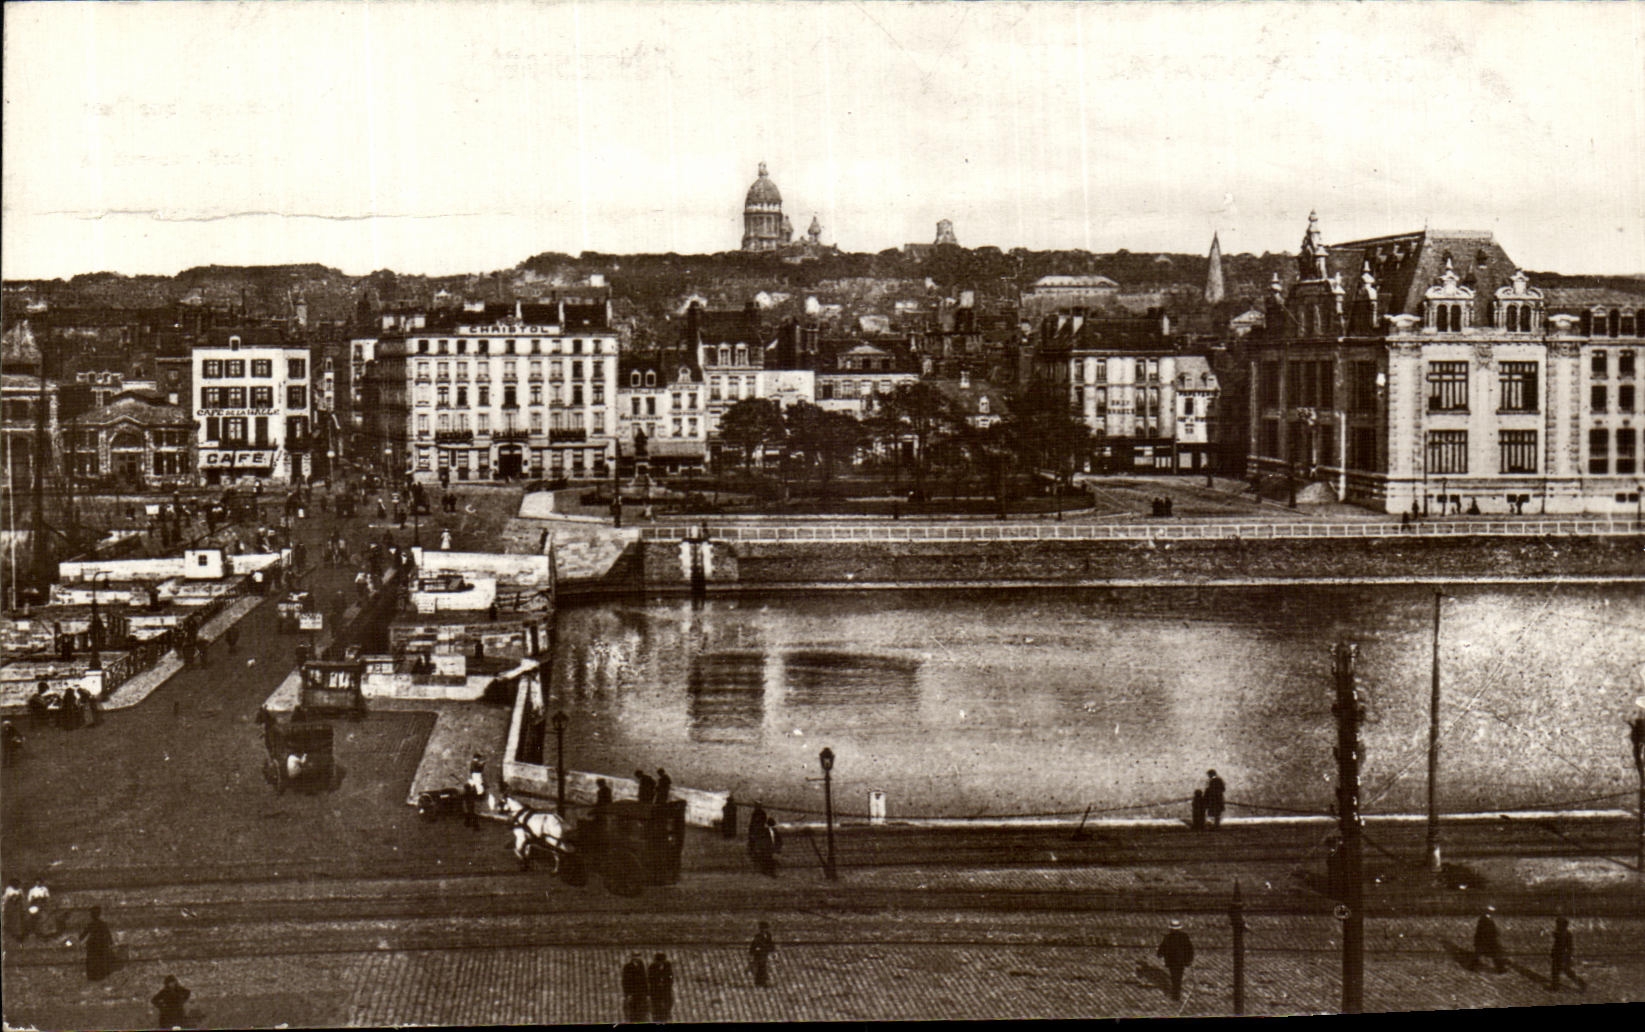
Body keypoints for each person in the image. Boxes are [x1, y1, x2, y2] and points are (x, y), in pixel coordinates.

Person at [1157, 918, 1195, 1000]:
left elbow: (1162, 947)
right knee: (1178, 976)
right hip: (1180, 961)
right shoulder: (1184, 936)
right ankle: (1176, 993)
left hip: (1172, 961)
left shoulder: (1167, 937)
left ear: (1170, 928)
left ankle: (1175, 994)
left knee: (1174, 976)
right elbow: (1189, 948)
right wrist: (1189, 959)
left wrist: (1159, 954)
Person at [1549, 915, 1584, 991]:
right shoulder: (1566, 933)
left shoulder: (1563, 934)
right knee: (1555, 971)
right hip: (1560, 955)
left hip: (1561, 956)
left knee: (1565, 972)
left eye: (1558, 924)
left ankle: (1582, 984)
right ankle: (1555, 987)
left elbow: (1562, 944)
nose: (1557, 925)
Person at [1470, 905, 1507, 973]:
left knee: (1479, 954)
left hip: (1486, 940)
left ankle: (1501, 969)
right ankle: (1501, 969)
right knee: (1494, 954)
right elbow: (1483, 930)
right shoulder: (1484, 919)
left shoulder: (1486, 918)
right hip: (1486, 940)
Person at [84, 905, 115, 981]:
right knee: (100, 960)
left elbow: (83, 935)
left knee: (93, 961)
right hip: (101, 944)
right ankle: (100, 975)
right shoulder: (103, 924)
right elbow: (108, 935)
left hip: (94, 945)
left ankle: (94, 976)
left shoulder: (91, 924)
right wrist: (111, 942)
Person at [620, 953, 650, 1023]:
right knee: (633, 1011)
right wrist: (628, 993)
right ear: (632, 957)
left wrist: (647, 993)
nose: (637, 958)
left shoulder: (641, 965)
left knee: (642, 1011)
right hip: (633, 992)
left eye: (638, 956)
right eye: (635, 956)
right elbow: (625, 981)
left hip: (641, 993)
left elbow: (644, 980)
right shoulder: (627, 967)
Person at [648, 953, 674, 1023]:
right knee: (657, 1007)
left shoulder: (668, 966)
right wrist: (658, 983)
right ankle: (657, 1018)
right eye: (658, 962)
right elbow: (650, 979)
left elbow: (670, 978)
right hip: (656, 991)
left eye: (662, 961)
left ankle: (666, 1016)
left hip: (666, 990)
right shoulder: (652, 967)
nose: (660, 963)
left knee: (667, 1004)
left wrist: (665, 984)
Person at [749, 922, 775, 987]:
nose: (764, 930)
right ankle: (760, 982)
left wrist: (772, 950)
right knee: (761, 967)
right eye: (762, 929)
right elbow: (754, 945)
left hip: (765, 953)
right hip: (759, 954)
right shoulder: (757, 936)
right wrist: (754, 951)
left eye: (765, 928)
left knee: (764, 967)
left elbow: (771, 944)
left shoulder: (768, 935)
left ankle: (763, 982)